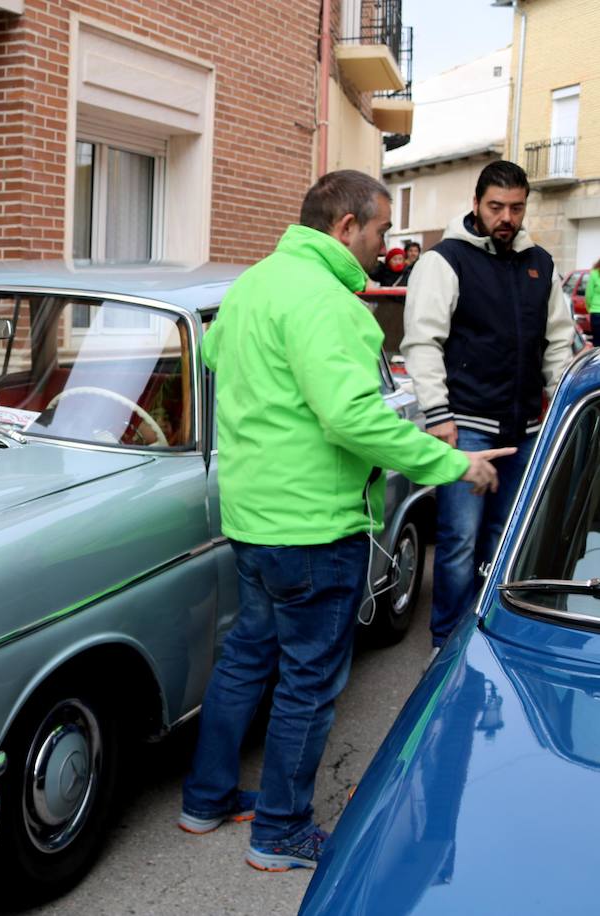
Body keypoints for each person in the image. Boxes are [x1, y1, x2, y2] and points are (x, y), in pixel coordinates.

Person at [179, 170, 513, 872]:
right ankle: (281, 833)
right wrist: (456, 465)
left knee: (246, 658)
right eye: (380, 232)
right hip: (311, 528)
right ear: (345, 228)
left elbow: (215, 360)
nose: (381, 246)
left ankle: (206, 800)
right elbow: (351, 416)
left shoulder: (253, 287)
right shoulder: (328, 303)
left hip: (251, 516)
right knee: (308, 681)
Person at [402, 160, 575, 650]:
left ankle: (485, 639)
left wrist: (561, 408)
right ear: (476, 203)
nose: (506, 217)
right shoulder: (444, 260)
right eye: (496, 206)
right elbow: (422, 342)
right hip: (466, 427)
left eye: (516, 208)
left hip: (525, 429)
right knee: (458, 542)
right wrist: (437, 416)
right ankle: (445, 644)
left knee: (505, 540)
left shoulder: (540, 263)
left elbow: (558, 344)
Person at [587, 256, 600, 345]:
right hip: (595, 312)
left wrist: (589, 309)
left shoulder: (594, 273)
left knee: (597, 341)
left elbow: (588, 295)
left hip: (595, 313)